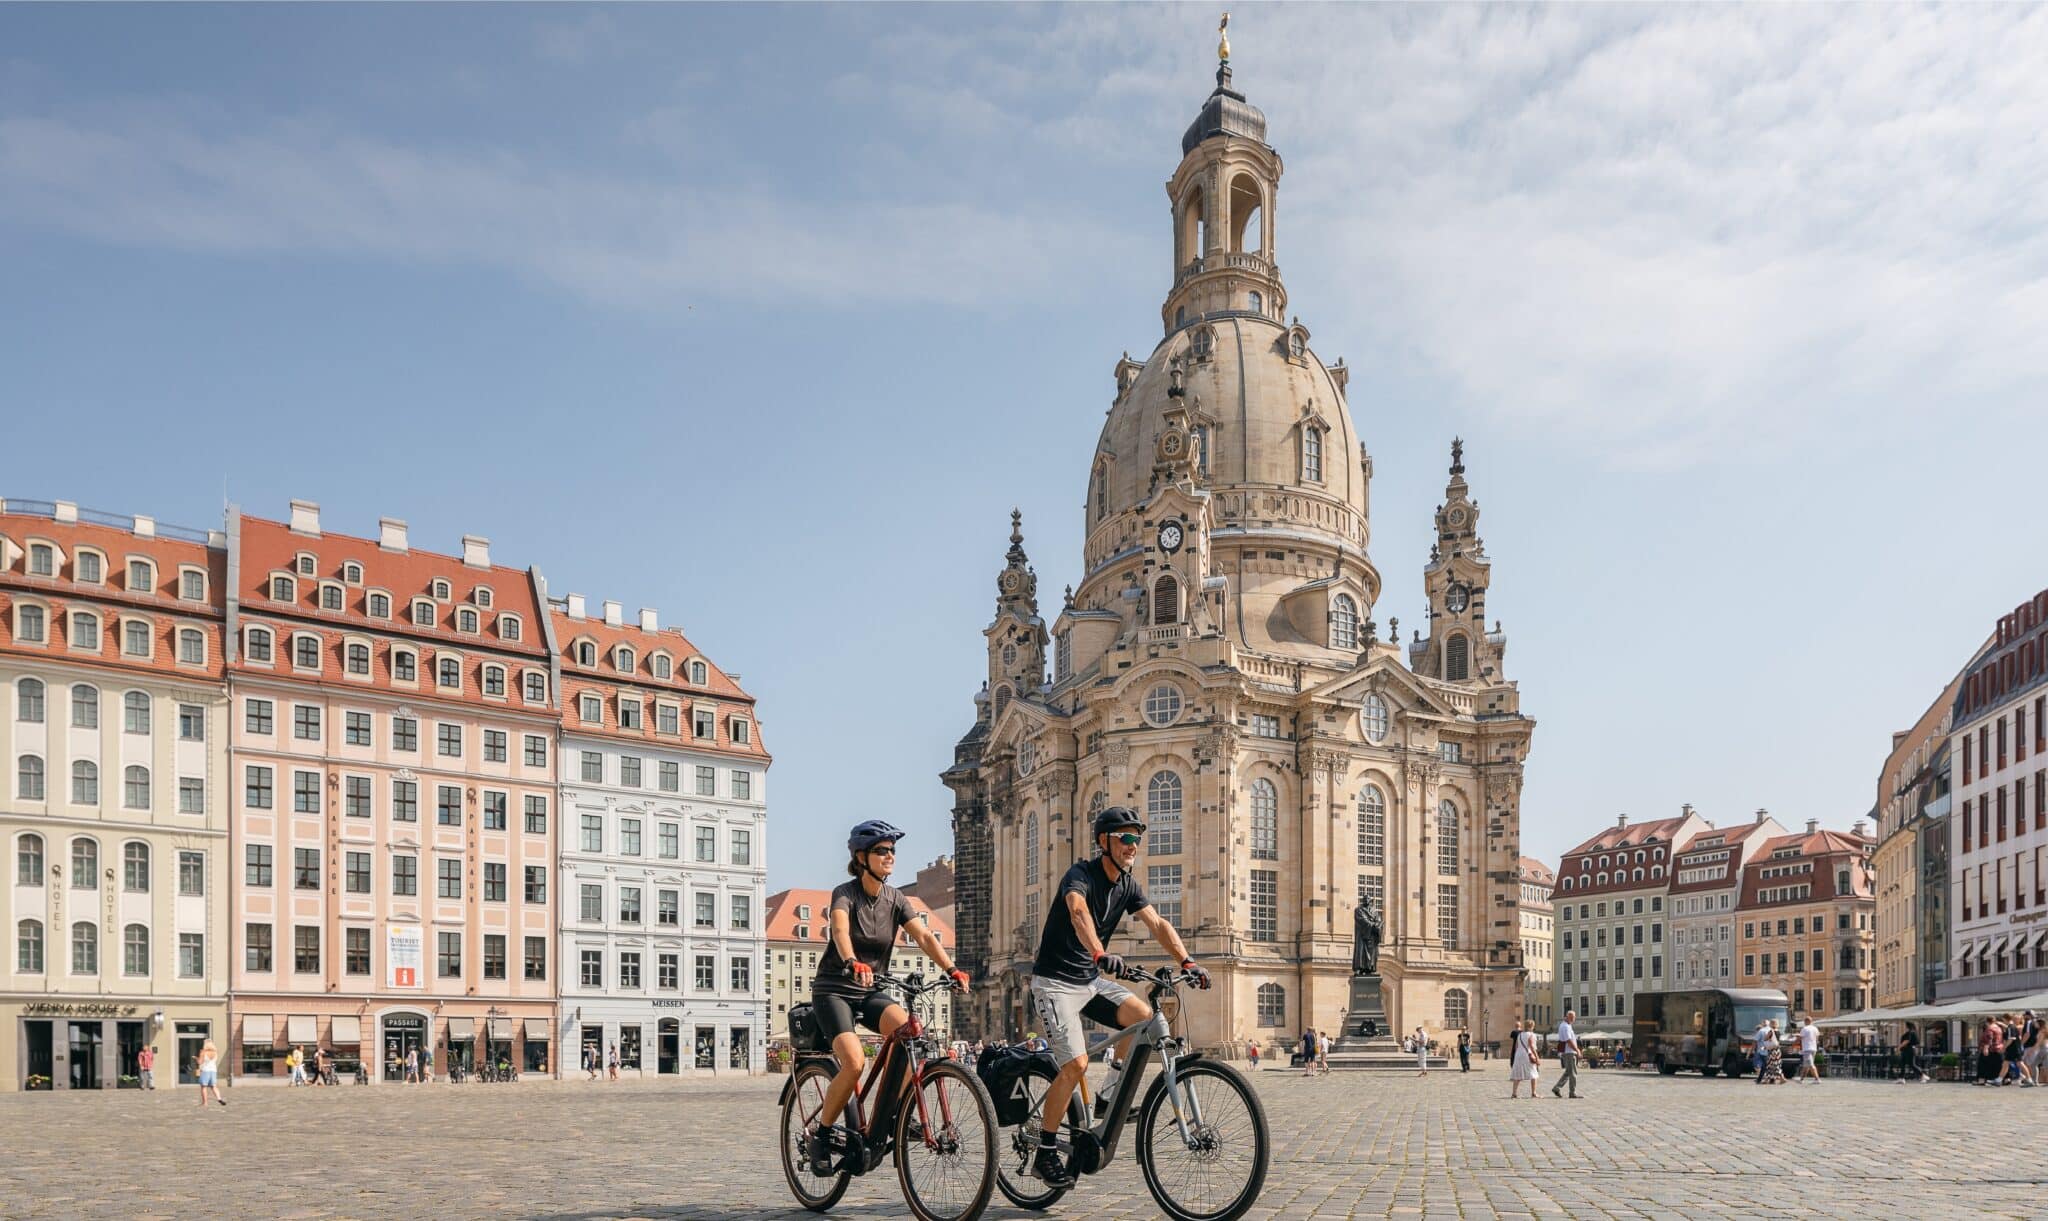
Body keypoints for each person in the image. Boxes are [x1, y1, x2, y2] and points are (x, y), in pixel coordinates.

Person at [1026, 805, 1209, 1189]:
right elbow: (1078, 913)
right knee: (1075, 1065)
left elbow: (1157, 923)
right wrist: (1098, 952)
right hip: (1055, 982)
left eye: (1136, 839)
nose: (1132, 845)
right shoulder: (1081, 875)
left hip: (1089, 982)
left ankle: (1109, 1096)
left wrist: (1187, 961)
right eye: (1125, 838)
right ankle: (1044, 1151)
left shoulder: (1127, 885)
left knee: (1143, 1017)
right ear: (1103, 842)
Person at [806, 821, 970, 1178]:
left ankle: (891, 1117)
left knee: (913, 1036)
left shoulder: (897, 899)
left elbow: (925, 937)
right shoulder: (845, 894)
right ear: (861, 858)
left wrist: (951, 968)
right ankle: (819, 1134)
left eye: (892, 850)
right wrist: (851, 962)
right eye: (882, 851)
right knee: (853, 1063)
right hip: (835, 989)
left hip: (871, 991)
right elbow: (839, 929)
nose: (890, 856)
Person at [1508, 1018, 1540, 1099]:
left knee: (1518, 1074)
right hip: (1527, 1055)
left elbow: (1516, 1047)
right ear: (1532, 1026)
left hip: (1518, 1055)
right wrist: (1537, 1057)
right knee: (1534, 1073)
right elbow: (1532, 1047)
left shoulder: (1520, 1035)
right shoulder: (1532, 1035)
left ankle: (1514, 1093)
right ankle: (1533, 1093)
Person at [1552, 1010, 1581, 1099]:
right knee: (1573, 1073)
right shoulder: (1565, 1026)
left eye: (1574, 1017)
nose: (1573, 1019)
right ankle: (1572, 1092)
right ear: (1567, 1017)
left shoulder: (1567, 1025)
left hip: (1568, 1052)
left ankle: (1557, 1088)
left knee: (1568, 1072)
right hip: (1569, 1052)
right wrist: (1577, 1050)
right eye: (1572, 1017)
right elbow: (1568, 1041)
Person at [195, 1040, 225, 1108]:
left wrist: (197, 1058)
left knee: (204, 1087)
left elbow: (200, 1062)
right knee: (214, 1086)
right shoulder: (215, 1052)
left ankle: (205, 1103)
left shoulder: (203, 1052)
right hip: (213, 1071)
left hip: (205, 1071)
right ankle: (219, 1098)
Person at [1797, 1016, 1822, 1084]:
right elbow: (1817, 1039)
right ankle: (1801, 1079)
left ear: (1806, 1021)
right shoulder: (1815, 1028)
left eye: (1804, 1021)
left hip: (1807, 1048)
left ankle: (1817, 1079)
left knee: (1810, 1065)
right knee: (1806, 1065)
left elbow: (1801, 1037)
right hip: (1814, 1048)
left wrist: (1795, 1038)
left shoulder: (1804, 1028)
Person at [1753, 1017, 1775, 1083]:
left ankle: (1761, 1079)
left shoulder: (1761, 1031)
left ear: (1763, 1024)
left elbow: (1755, 1040)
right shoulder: (1772, 1030)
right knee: (1769, 1065)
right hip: (1771, 1050)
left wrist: (1753, 1050)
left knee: (1763, 1066)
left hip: (1762, 1051)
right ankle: (1770, 1079)